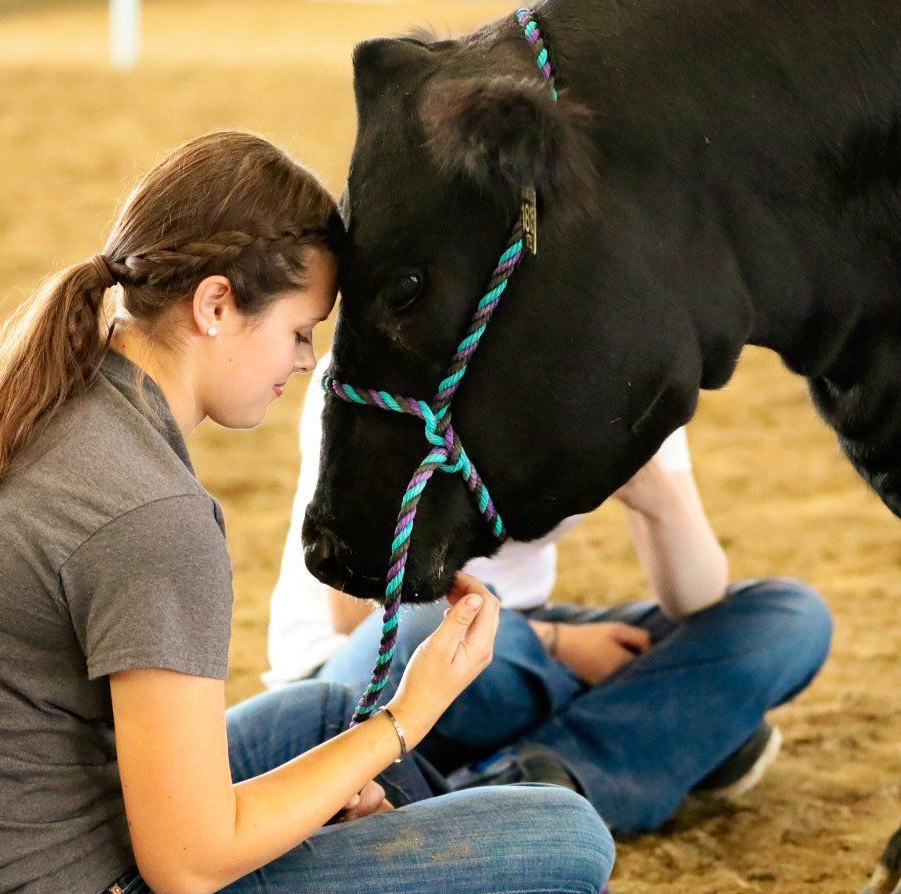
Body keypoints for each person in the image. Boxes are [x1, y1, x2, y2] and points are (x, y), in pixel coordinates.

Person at [0, 131, 750, 894]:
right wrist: (405, 720)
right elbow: (187, 862)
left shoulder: (34, 402)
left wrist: (343, 770)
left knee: (323, 715)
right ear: (215, 305)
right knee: (563, 840)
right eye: (300, 331)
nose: (306, 361)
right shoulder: (149, 513)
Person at [267, 356, 834, 835]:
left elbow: (697, 602)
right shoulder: (392, 365)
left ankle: (522, 782)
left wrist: (656, 491)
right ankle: (665, 729)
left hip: (515, 656)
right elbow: (359, 610)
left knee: (790, 620)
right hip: (374, 668)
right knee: (426, 632)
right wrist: (560, 643)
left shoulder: (634, 363)